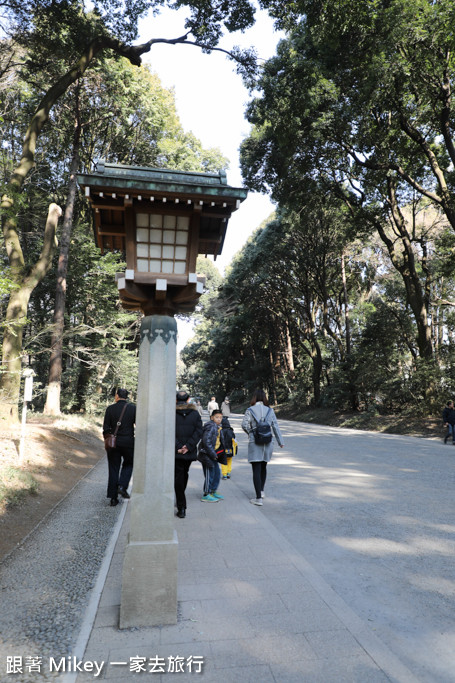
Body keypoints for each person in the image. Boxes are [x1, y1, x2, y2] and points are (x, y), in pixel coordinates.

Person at [242, 388, 284, 506]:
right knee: (263, 466)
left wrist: (251, 433)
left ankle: (258, 498)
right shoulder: (270, 411)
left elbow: (244, 425)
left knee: (256, 468)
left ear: (254, 398)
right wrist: (281, 441)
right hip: (268, 442)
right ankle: (261, 491)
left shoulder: (250, 410)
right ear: (265, 398)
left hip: (255, 442)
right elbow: (275, 426)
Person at [103, 388, 136, 506]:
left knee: (113, 468)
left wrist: (108, 439)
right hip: (128, 442)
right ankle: (122, 485)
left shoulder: (110, 409)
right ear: (127, 396)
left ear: (117, 396)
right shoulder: (133, 408)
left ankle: (113, 498)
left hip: (113, 443)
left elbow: (106, 427)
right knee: (129, 463)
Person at [175, 390, 203, 518]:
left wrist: (179, 447)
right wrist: (189, 446)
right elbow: (199, 431)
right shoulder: (195, 414)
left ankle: (181, 506)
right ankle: (181, 501)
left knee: (179, 476)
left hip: (177, 452)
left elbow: (168, 431)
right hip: (189, 451)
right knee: (183, 473)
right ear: (188, 400)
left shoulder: (171, 413)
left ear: (176, 400)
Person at [197, 409, 225, 502]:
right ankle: (206, 493)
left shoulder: (218, 427)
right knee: (210, 474)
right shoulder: (210, 427)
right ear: (212, 417)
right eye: (217, 417)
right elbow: (206, 441)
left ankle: (213, 491)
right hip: (207, 455)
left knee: (217, 473)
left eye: (221, 417)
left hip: (213, 454)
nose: (219, 419)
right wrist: (213, 454)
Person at [220, 415, 237, 479]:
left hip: (223, 449)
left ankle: (224, 474)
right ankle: (228, 472)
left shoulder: (221, 431)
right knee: (229, 461)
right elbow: (234, 440)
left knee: (223, 462)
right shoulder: (231, 431)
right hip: (230, 449)